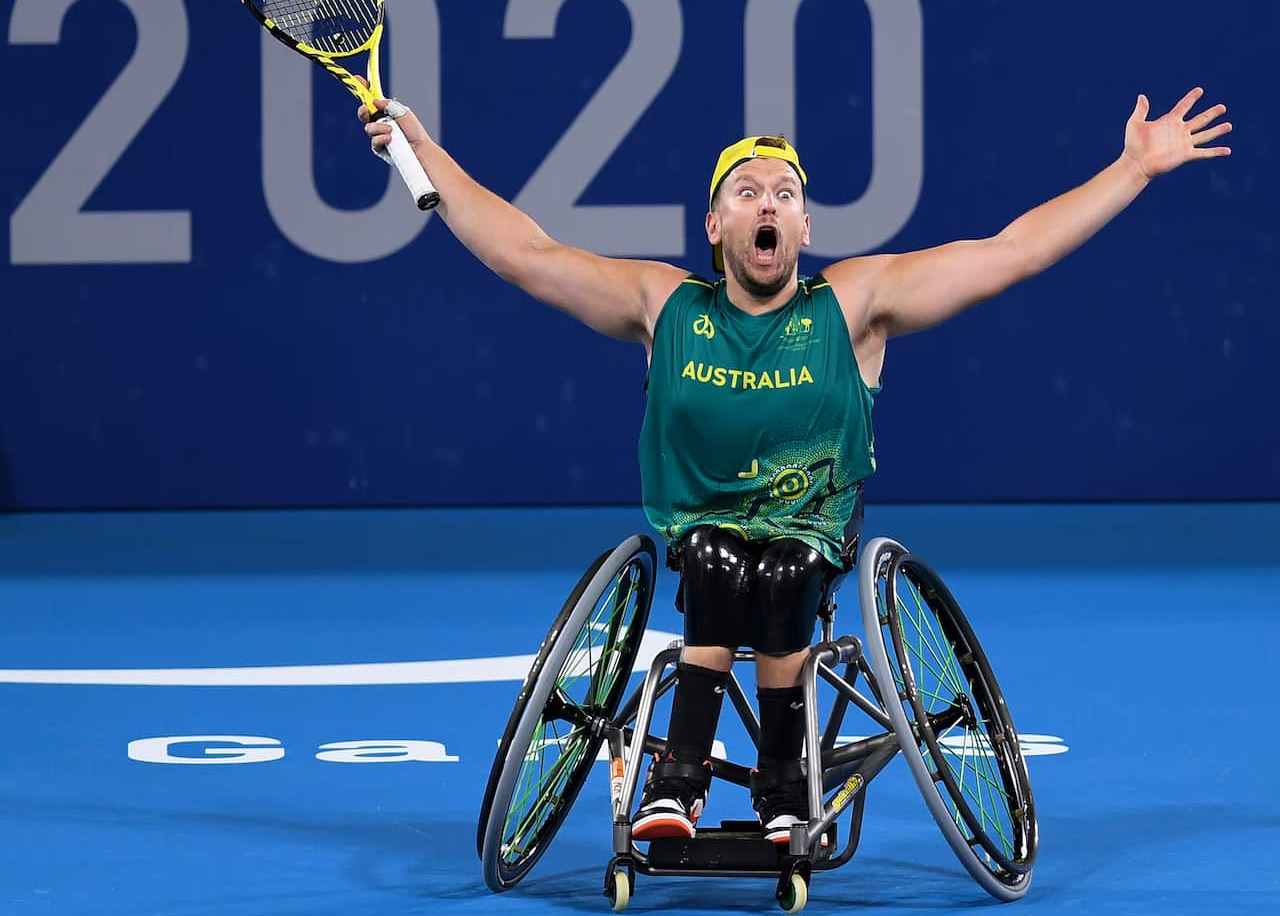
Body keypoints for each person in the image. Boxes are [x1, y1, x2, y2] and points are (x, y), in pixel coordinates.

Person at [358, 86, 1230, 843]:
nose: (766, 202)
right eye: (746, 192)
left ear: (803, 226)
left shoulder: (854, 304)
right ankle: (681, 777)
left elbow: (1010, 253)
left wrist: (1131, 172)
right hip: (701, 532)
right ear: (717, 224)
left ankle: (782, 778)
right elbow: (527, 253)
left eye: (785, 192)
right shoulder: (664, 304)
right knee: (714, 557)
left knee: (776, 573)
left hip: (810, 535)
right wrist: (421, 151)